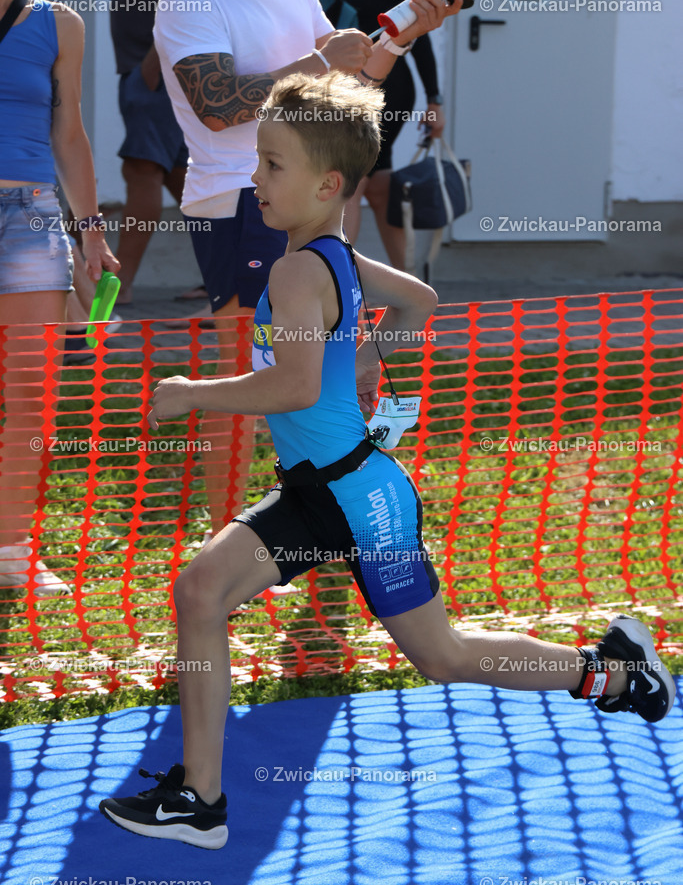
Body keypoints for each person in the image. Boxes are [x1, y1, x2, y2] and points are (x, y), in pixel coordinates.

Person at [99, 71, 675, 849]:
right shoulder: (333, 253)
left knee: (443, 656)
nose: (254, 178)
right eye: (257, 159)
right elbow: (421, 303)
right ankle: (200, 798)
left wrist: (191, 394)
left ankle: (610, 672)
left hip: (359, 500)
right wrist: (371, 353)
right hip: (326, 490)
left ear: (327, 182)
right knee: (202, 591)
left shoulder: (299, 268)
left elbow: (296, 385)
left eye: (272, 165)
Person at [152, 0, 460, 536]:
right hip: (243, 200)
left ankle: (333, 511)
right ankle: (226, 540)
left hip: (318, 201)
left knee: (360, 347)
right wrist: (323, 62)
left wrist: (398, 40)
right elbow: (215, 105)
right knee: (250, 379)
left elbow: (346, 88)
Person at [0, 0, 119, 594]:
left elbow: (70, 135)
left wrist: (93, 233)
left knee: (31, 395)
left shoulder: (60, 24)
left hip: (29, 218)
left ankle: (12, 550)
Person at [313, 0, 446, 267]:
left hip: (390, 94)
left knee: (351, 183)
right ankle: (404, 283)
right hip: (339, 93)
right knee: (382, 187)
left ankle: (338, 282)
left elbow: (419, 41)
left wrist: (435, 101)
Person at [111, 0, 212, 305]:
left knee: (140, 170)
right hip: (147, 76)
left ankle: (118, 286)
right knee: (184, 182)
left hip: (156, 78)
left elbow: (192, 0)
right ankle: (228, 274)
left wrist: (153, 67)